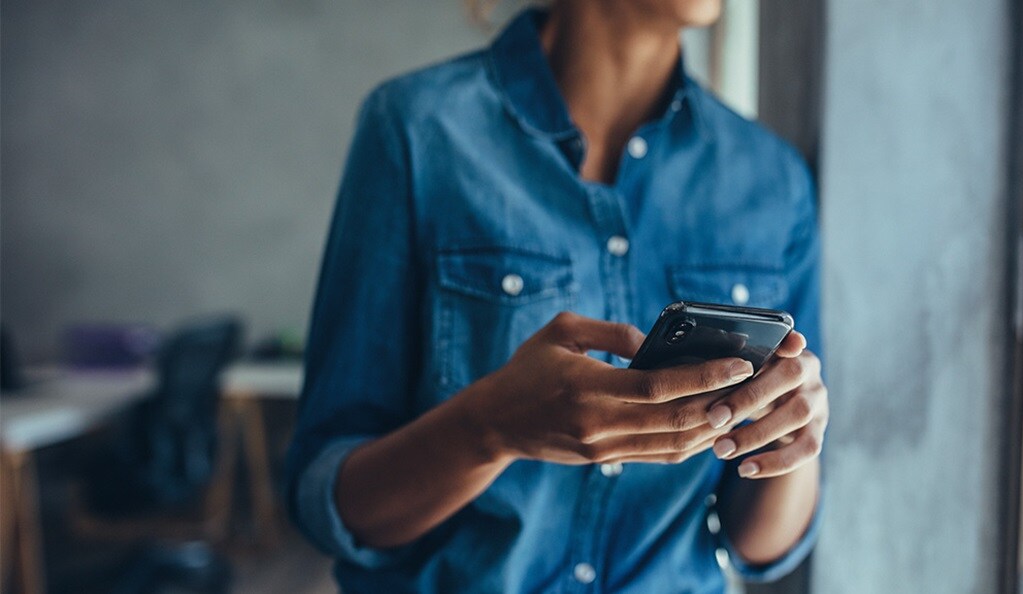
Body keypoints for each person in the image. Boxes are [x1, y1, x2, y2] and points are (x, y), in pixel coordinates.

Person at [285, 1, 829, 592]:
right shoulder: (415, 129)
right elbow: (332, 501)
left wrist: (791, 439)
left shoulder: (773, 180)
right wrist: (488, 427)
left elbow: (758, 547)